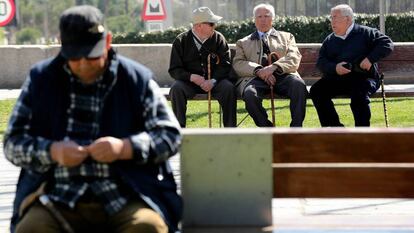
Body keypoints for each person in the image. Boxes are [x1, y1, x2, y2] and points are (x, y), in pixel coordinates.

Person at [3, 5, 182, 233]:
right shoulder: (41, 80)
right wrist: (52, 152)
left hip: (128, 193)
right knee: (31, 228)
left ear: (108, 42)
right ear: (61, 44)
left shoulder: (136, 79)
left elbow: (170, 135)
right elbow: (13, 142)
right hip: (56, 195)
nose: (84, 63)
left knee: (147, 227)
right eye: (75, 56)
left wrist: (125, 148)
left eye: (92, 54)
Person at [310, 4, 394, 127]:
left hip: (364, 78)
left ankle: (361, 134)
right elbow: (321, 63)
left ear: (348, 19)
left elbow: (387, 44)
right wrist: (335, 68)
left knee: (359, 96)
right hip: (338, 78)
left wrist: (370, 59)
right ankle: (336, 130)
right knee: (317, 91)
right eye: (331, 18)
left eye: (335, 17)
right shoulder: (329, 40)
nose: (332, 21)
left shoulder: (366, 32)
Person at [232, 3, 307, 127]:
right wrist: (258, 71)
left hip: (284, 76)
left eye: (266, 16)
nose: (262, 20)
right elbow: (238, 63)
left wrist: (274, 67)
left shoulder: (287, 37)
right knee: (250, 94)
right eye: (259, 17)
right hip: (255, 78)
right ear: (254, 20)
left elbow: (294, 57)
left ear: (273, 18)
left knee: (299, 86)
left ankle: (296, 130)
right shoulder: (243, 42)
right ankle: (268, 129)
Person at [168, 6, 237, 128]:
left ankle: (230, 130)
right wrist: (191, 77)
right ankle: (179, 131)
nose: (214, 26)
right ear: (199, 25)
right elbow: (174, 69)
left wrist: (213, 81)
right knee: (176, 88)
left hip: (215, 82)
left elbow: (225, 65)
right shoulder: (181, 40)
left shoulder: (218, 38)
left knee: (229, 88)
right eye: (211, 23)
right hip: (190, 83)